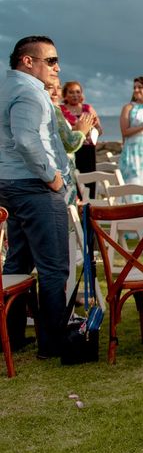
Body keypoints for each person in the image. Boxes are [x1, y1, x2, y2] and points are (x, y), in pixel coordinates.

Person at [0, 35, 70, 359]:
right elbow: (27, 140)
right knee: (53, 268)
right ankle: (53, 343)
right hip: (34, 186)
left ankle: (11, 338)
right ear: (28, 61)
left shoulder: (6, 87)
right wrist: (52, 177)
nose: (57, 67)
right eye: (51, 60)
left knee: (17, 263)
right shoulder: (28, 92)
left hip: (10, 185)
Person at [48, 80, 93, 205]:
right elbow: (69, 144)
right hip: (60, 172)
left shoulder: (86, 108)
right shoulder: (55, 110)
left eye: (58, 87)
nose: (56, 92)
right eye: (50, 87)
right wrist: (81, 132)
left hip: (72, 163)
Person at [60, 80, 102, 196]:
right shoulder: (61, 110)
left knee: (89, 180)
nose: (75, 95)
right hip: (73, 149)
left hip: (87, 150)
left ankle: (89, 206)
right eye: (71, 92)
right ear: (65, 95)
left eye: (78, 92)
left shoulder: (88, 108)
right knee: (74, 180)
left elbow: (99, 128)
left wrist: (92, 133)